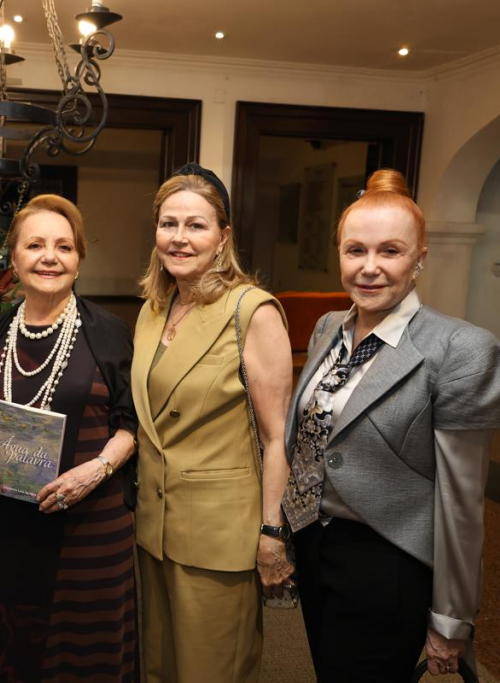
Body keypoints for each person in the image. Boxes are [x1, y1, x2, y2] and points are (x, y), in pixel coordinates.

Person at [283, 169, 500, 681]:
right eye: (355, 251)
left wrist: (451, 619)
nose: (369, 268)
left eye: (390, 251)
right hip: (318, 549)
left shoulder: (461, 350)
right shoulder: (327, 329)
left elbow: (461, 502)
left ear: (420, 258)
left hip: (388, 562)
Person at [131, 163, 294, 683]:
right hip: (155, 528)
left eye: (196, 225)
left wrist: (272, 532)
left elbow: (277, 437)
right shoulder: (153, 309)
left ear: (223, 237)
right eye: (169, 224)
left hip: (218, 535)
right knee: (159, 668)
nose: (179, 237)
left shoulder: (252, 311)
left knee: (212, 671)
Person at [0, 194, 138, 682]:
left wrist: (96, 471)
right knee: (12, 652)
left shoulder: (109, 332)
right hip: (9, 522)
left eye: (64, 247)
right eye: (35, 245)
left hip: (90, 524)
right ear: (14, 257)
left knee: (82, 657)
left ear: (79, 258)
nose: (50, 257)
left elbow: (132, 425)